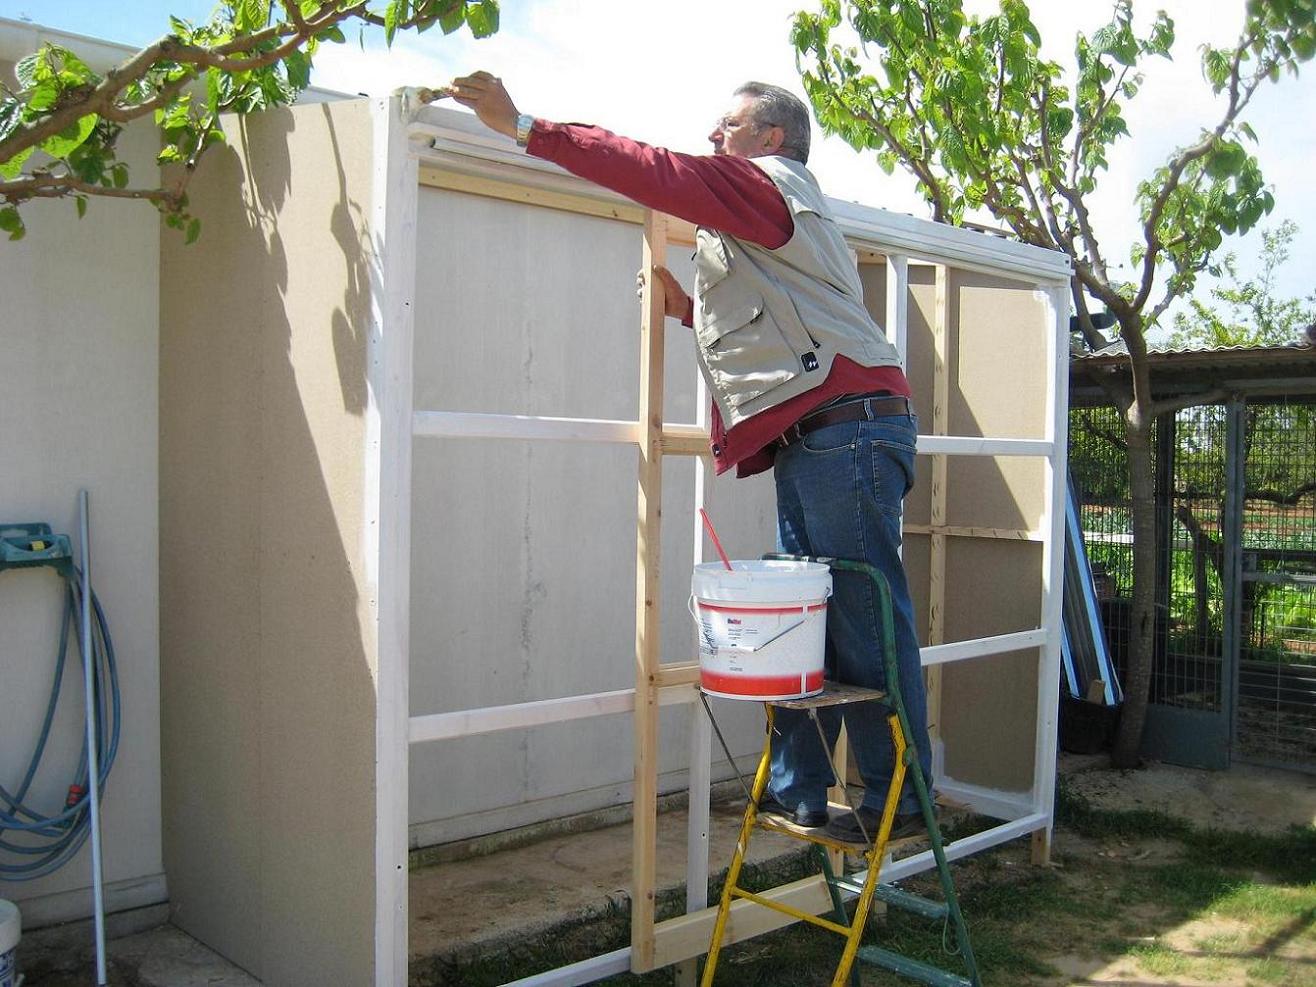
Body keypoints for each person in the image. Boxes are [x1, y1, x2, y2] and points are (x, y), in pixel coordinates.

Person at [449, 71, 930, 842]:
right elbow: (778, 316)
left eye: (729, 125)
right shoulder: (767, 220)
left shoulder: (768, 184)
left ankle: (900, 797)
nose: (714, 137)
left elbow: (654, 167)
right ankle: (799, 789)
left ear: (770, 138)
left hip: (849, 429)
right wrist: (693, 309)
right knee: (805, 621)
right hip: (822, 434)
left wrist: (526, 127)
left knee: (864, 618)